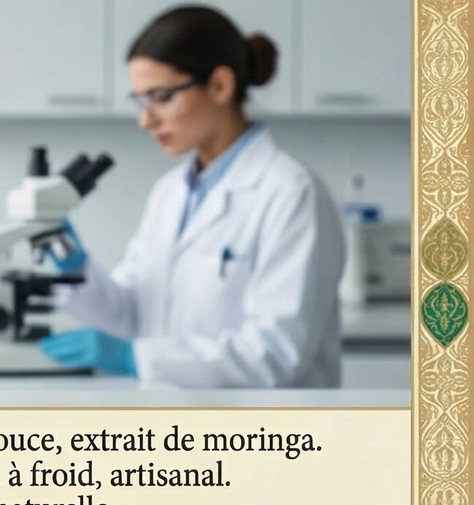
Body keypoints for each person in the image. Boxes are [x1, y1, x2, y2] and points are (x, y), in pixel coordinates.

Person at [41, 6, 346, 388]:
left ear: (220, 85)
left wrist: (131, 357)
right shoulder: (170, 192)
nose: (146, 120)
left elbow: (274, 352)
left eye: (162, 97)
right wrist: (77, 272)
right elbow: (136, 314)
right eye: (141, 101)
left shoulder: (291, 193)